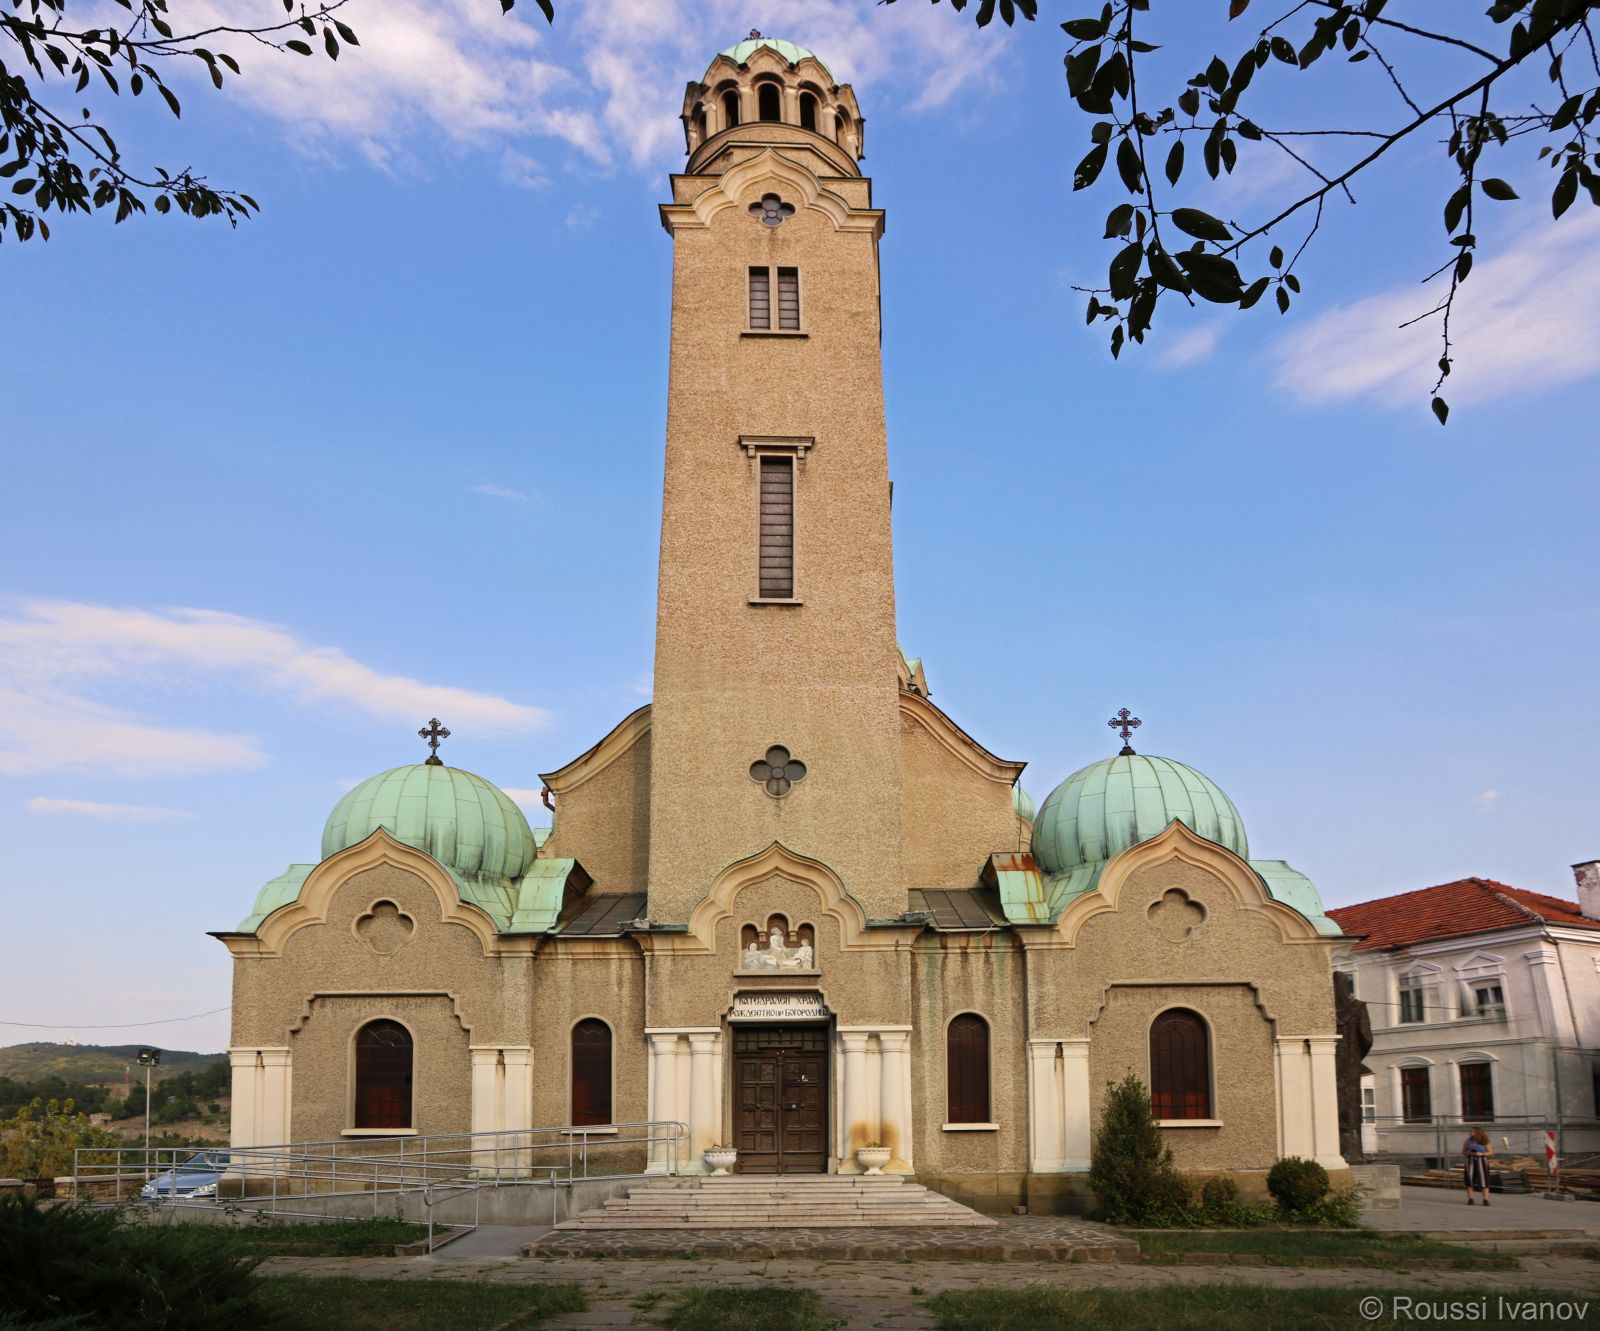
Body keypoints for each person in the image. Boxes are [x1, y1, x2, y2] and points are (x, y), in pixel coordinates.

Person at [1462, 1126, 1493, 1205]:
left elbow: (1490, 1152)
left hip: (1481, 1161)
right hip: (1470, 1161)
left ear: (1477, 1133)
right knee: (1469, 1179)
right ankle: (1470, 1199)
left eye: (1472, 1131)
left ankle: (1485, 1200)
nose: (1470, 1132)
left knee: (1484, 1180)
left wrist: (1482, 1154)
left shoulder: (1485, 1141)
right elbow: (1464, 1151)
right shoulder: (1468, 1141)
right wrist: (1468, 1153)